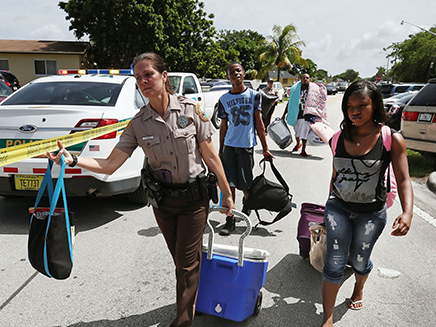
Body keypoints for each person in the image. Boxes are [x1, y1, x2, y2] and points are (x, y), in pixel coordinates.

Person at [47, 52, 234, 327]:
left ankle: (183, 320)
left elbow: (211, 156)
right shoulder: (138, 123)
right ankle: (195, 295)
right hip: (163, 203)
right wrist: (73, 159)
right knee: (182, 260)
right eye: (138, 77)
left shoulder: (192, 111)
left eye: (149, 75)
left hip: (195, 199)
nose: (144, 81)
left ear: (164, 76)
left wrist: (227, 191)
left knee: (185, 264)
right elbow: (110, 164)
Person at [321, 80, 413, 327]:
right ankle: (327, 318)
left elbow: (404, 178)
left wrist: (407, 212)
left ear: (375, 106)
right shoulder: (337, 138)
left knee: (360, 260)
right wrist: (326, 209)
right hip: (338, 208)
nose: (355, 111)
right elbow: (335, 175)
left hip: (371, 213)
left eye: (362, 105)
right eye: (350, 106)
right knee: (335, 260)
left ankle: (358, 289)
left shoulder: (391, 139)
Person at [217, 62, 274, 236]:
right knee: (229, 185)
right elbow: (223, 127)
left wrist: (265, 148)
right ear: (228, 76)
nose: (235, 74)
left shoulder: (254, 95)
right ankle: (230, 220)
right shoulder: (223, 100)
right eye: (231, 72)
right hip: (229, 147)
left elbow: (259, 123)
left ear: (243, 73)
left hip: (246, 147)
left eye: (238, 70)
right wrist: (220, 149)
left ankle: (246, 207)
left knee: (245, 184)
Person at [282, 73, 327, 157]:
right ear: (301, 79)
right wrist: (284, 114)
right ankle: (298, 144)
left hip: (307, 115)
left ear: (309, 80)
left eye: (307, 78)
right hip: (297, 114)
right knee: (297, 132)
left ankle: (303, 149)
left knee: (304, 132)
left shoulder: (313, 90)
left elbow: (319, 101)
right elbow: (290, 102)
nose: (305, 79)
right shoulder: (295, 90)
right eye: (303, 78)